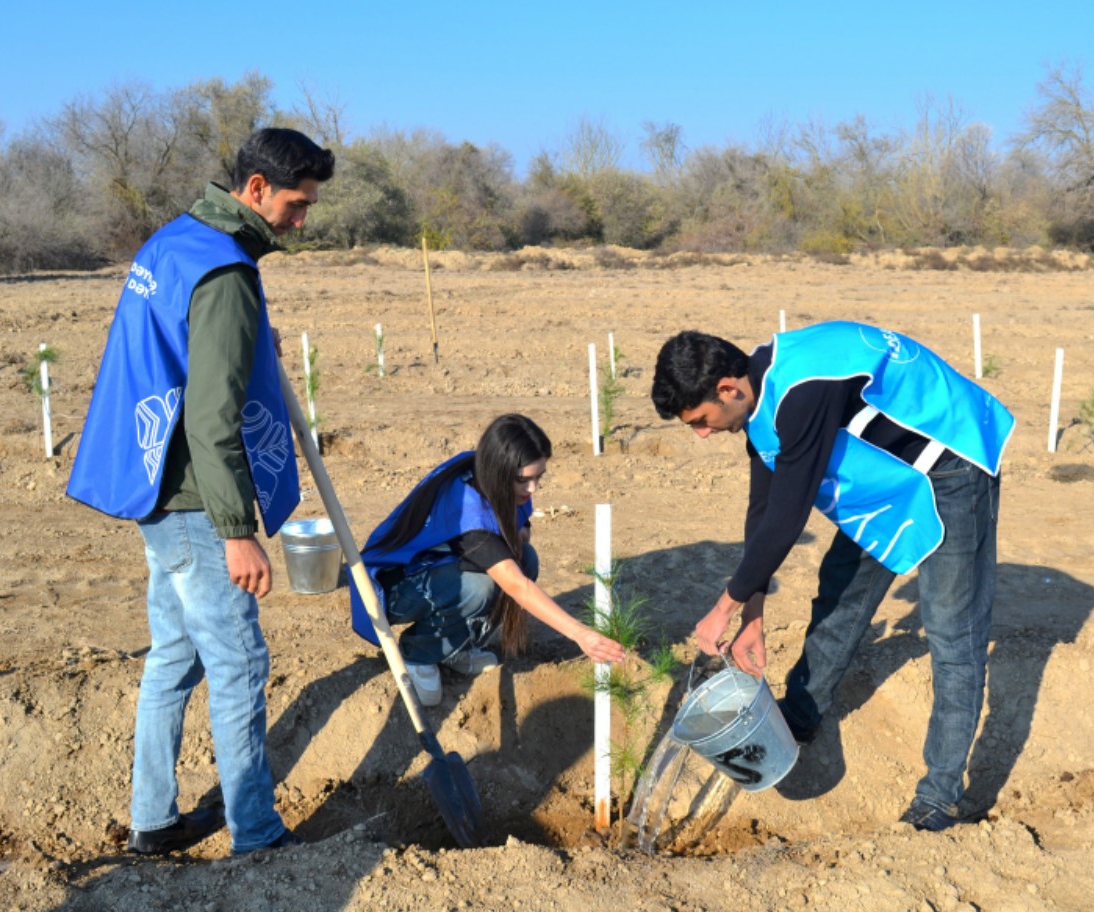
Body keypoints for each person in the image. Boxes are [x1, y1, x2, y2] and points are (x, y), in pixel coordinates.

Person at [67, 128, 335, 855]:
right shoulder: (226, 274)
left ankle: (152, 821)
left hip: (153, 486)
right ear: (256, 190)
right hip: (194, 500)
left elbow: (179, 347)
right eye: (296, 204)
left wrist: (247, 343)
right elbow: (212, 419)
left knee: (175, 656)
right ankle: (257, 833)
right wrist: (237, 532)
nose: (301, 221)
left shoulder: (176, 240)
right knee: (238, 662)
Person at [651, 322, 1013, 831]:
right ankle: (800, 718)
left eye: (701, 420)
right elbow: (764, 511)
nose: (702, 434)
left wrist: (722, 609)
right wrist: (752, 615)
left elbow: (788, 515)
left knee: (953, 635)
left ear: (727, 389)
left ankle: (941, 797)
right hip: (885, 479)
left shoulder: (803, 389)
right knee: (839, 592)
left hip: (951, 464)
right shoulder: (758, 399)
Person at [351, 413, 625, 705]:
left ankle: (456, 645)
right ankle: (418, 653)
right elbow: (517, 586)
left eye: (539, 477)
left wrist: (518, 532)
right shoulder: (468, 515)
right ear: (500, 470)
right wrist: (580, 634)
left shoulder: (491, 474)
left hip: (438, 568)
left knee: (526, 559)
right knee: (479, 587)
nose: (533, 489)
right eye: (524, 480)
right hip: (392, 588)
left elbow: (520, 529)